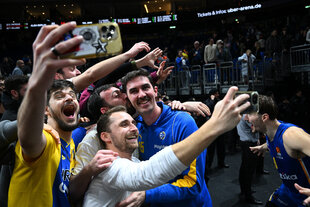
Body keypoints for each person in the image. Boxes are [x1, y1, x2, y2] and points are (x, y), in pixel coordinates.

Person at [7, 22, 118, 207]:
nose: (69, 99)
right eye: (59, 96)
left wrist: (89, 169)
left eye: (72, 96)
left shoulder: (71, 141)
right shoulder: (46, 139)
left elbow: (69, 192)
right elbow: (28, 137)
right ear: (45, 109)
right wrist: (37, 83)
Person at [83, 87, 250, 207]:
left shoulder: (134, 157)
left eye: (134, 122)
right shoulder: (107, 163)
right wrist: (213, 127)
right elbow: (147, 173)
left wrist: (177, 105)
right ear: (105, 136)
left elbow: (192, 183)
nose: (134, 128)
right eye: (124, 124)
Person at [119, 69, 210, 206]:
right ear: (128, 99)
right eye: (134, 91)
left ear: (155, 91)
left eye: (145, 88)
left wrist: (147, 195)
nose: (141, 95)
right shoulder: (135, 128)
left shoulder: (183, 123)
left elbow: (193, 183)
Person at [247, 95, 310, 207]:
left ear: (264, 117)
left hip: (305, 196)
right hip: (288, 191)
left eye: (250, 114)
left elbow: (285, 141)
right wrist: (265, 146)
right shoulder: (270, 131)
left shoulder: (291, 135)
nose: (246, 118)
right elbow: (278, 142)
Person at [237, 115, 262, 205]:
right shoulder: (246, 115)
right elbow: (254, 128)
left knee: (245, 167)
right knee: (249, 170)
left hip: (247, 142)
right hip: (248, 144)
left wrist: (257, 138)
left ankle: (245, 190)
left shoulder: (246, 114)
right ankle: (248, 196)